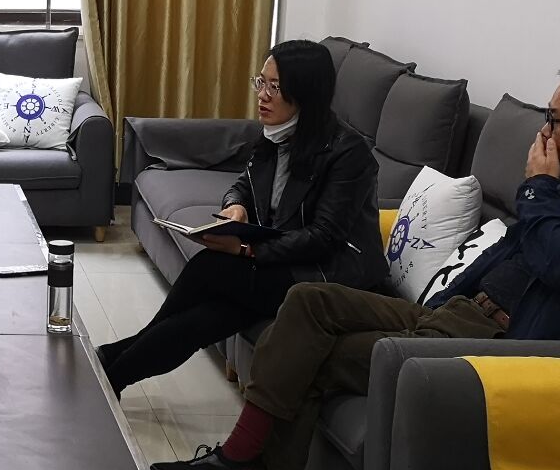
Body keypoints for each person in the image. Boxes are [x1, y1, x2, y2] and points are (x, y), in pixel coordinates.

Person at [154, 61, 560, 470]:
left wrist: (538, 188)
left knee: (308, 354)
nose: (544, 132)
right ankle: (245, 465)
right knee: (309, 300)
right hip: (452, 311)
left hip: (494, 342)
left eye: (555, 119)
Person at [97, 40, 386, 396]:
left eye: (275, 87)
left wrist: (247, 250)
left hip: (329, 277)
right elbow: (243, 185)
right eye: (261, 82)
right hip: (286, 261)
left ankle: (109, 367)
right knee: (209, 316)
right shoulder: (276, 135)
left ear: (305, 93)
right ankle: (111, 374)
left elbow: (324, 237)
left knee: (211, 269)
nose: (262, 95)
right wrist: (235, 206)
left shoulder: (348, 153)